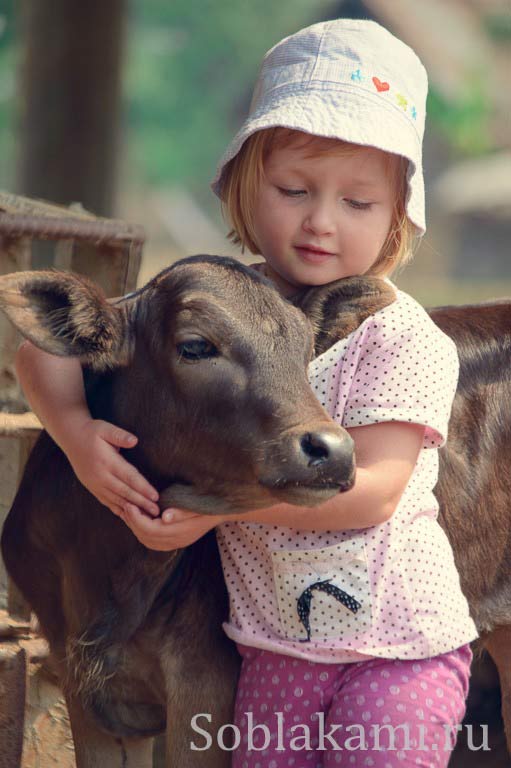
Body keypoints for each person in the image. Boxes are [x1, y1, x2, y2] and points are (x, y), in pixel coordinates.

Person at [16, 19, 478, 767]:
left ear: (400, 216)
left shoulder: (401, 337)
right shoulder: (215, 298)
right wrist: (77, 439)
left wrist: (209, 512)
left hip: (396, 644)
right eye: (293, 189)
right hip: (272, 649)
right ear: (241, 185)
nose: (320, 221)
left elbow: (375, 491)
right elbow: (49, 348)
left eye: (358, 203)